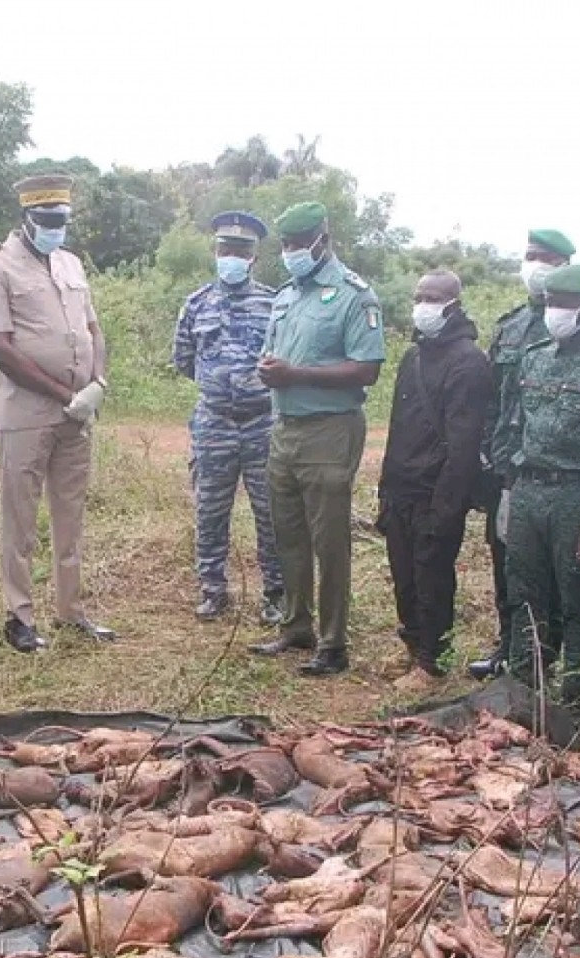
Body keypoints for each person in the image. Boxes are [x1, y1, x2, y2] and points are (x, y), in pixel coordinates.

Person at [0, 174, 115, 653]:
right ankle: (19, 616)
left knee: (70, 515)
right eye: (47, 221)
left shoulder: (70, 263)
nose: (56, 229)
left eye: (62, 221)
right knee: (21, 518)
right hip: (27, 413)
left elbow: (93, 328)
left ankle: (71, 610)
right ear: (27, 219)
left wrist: (98, 384)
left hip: (78, 413)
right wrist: (61, 393)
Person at [247, 201, 385, 677]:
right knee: (288, 534)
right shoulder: (287, 295)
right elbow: (277, 353)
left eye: (298, 244)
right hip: (283, 429)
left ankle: (333, 642)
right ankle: (296, 625)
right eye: (284, 245)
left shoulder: (353, 295)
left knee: (329, 540)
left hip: (330, 429)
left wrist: (295, 374)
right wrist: (270, 370)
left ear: (322, 240)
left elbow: (367, 367)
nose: (290, 253)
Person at [492, 264, 580, 704]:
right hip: (528, 490)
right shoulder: (533, 356)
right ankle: (522, 684)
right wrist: (507, 480)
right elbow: (511, 423)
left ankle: (573, 693)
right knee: (522, 590)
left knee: (574, 595)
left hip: (576, 494)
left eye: (566, 304)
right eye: (551, 302)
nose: (556, 312)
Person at [471, 229, 575, 679]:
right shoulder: (510, 325)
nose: (535, 265)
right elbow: (492, 398)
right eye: (530, 256)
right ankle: (509, 643)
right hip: (506, 467)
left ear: (567, 265)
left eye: (545, 257)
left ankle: (546, 651)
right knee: (506, 559)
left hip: (554, 471)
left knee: (551, 567)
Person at [378, 269, 492, 677]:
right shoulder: (413, 356)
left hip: (436, 492)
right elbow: (397, 425)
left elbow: (464, 445)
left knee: (432, 578)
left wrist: (447, 508)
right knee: (404, 577)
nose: (422, 306)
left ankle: (431, 661)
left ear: (453, 305)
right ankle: (412, 645)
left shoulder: (469, 362)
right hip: (401, 489)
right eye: (418, 296)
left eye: (432, 298)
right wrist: (385, 489)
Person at [172, 211, 283, 625]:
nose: (231, 256)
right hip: (213, 422)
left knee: (270, 511)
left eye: (240, 250)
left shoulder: (273, 303)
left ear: (253, 257)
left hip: (262, 423)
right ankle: (212, 589)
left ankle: (275, 592)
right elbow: (184, 359)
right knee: (210, 510)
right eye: (225, 249)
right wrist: (220, 386)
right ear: (215, 252)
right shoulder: (196, 303)